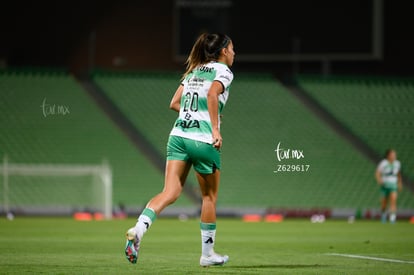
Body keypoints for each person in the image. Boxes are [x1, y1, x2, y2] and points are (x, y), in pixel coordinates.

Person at [124, 32, 235, 266]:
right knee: (209, 197)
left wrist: (197, 114)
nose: (234, 53)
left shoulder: (194, 71)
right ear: (223, 51)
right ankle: (207, 255)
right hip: (203, 140)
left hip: (178, 136)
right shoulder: (223, 70)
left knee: (170, 192)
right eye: (232, 49)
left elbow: (174, 103)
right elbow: (213, 93)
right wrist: (215, 128)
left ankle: (138, 230)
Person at [375, 149, 403, 223]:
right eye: (392, 154)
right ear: (388, 155)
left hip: (393, 185)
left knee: (393, 200)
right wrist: (379, 180)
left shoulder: (397, 163)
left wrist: (399, 183)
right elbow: (378, 173)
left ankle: (392, 218)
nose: (394, 156)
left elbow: (399, 174)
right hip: (385, 185)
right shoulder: (383, 163)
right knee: (384, 202)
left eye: (394, 154)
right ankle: (383, 215)